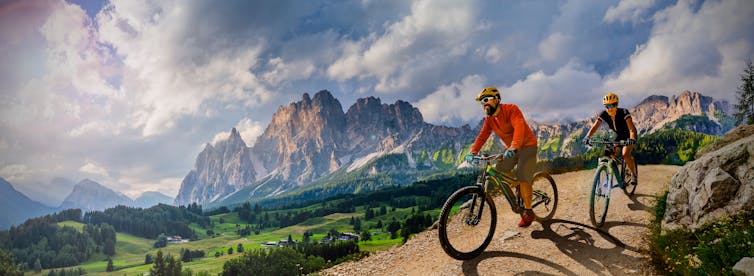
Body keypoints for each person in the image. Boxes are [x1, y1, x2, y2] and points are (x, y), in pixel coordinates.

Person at [465, 87, 539, 227]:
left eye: (486, 100)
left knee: (523, 176)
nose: (484, 104)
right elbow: (482, 136)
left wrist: (514, 146)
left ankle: (528, 212)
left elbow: (519, 127)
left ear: (497, 99)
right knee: (498, 170)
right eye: (482, 102)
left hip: (527, 146)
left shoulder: (512, 109)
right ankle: (517, 200)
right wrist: (473, 151)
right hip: (512, 149)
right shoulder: (490, 119)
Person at [582, 92, 639, 186]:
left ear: (617, 104)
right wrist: (587, 137)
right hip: (619, 136)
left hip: (629, 135)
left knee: (625, 154)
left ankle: (633, 175)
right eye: (607, 106)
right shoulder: (604, 114)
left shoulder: (624, 112)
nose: (610, 108)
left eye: (613, 105)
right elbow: (595, 127)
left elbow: (631, 128)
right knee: (610, 154)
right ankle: (610, 178)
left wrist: (632, 138)